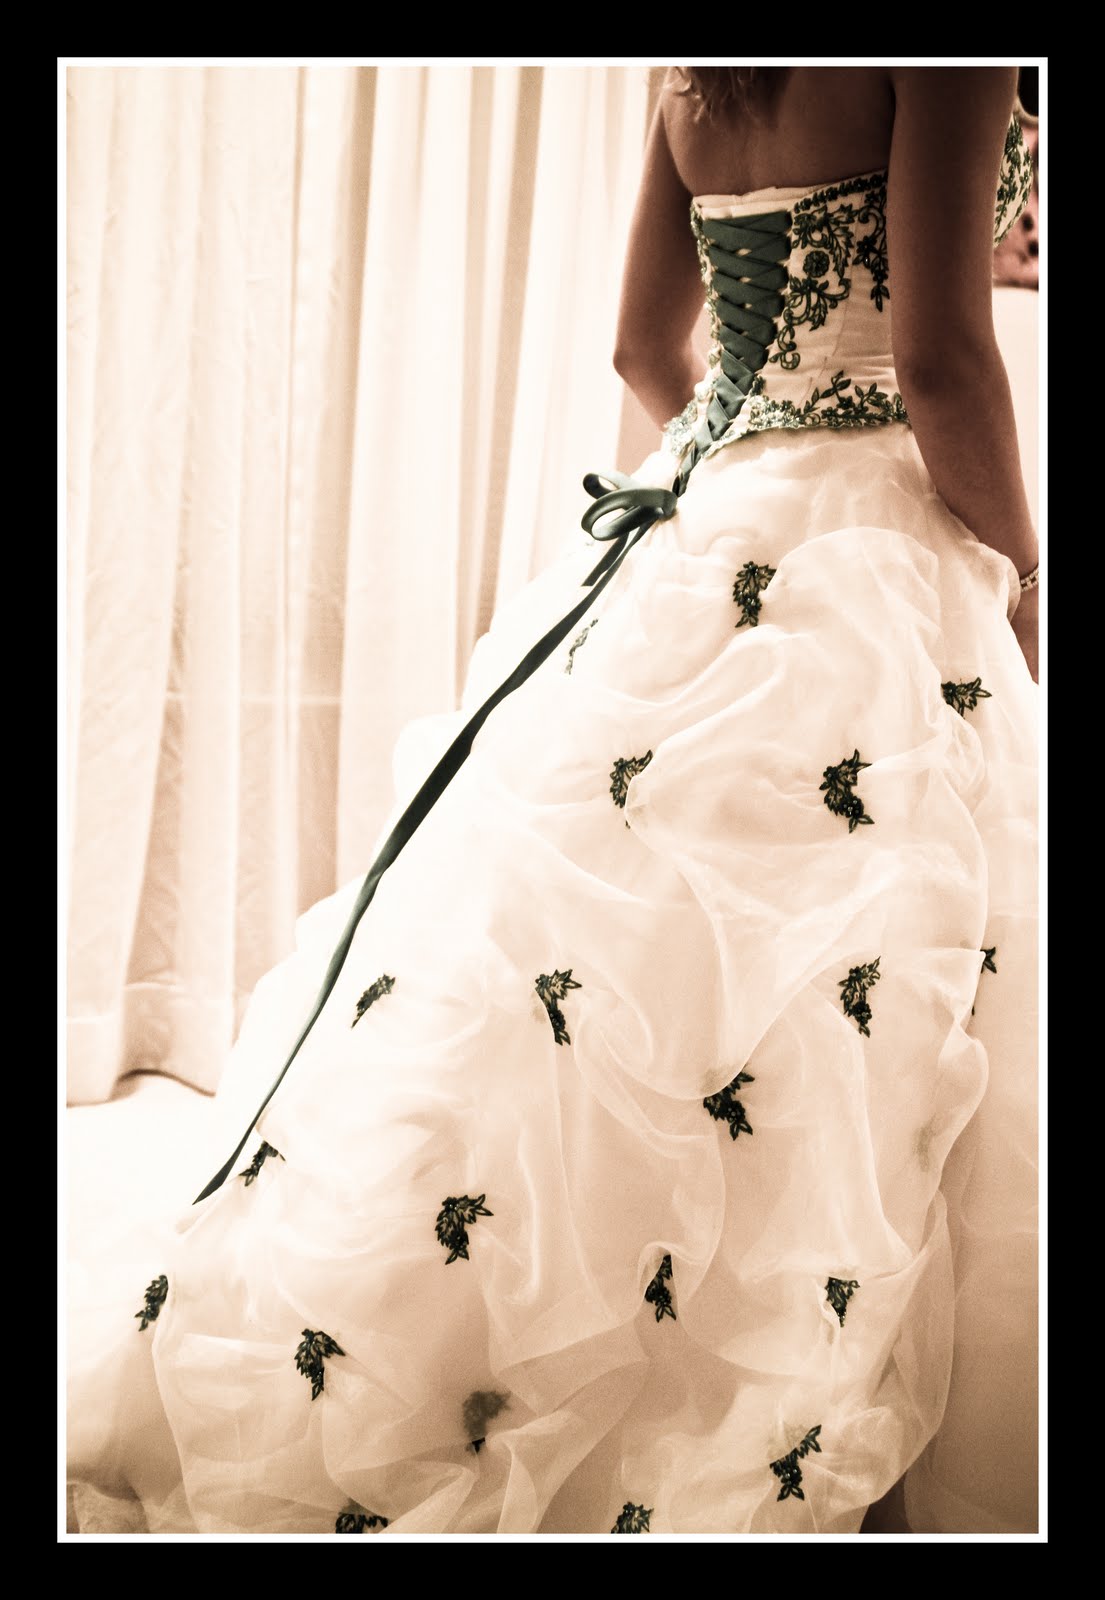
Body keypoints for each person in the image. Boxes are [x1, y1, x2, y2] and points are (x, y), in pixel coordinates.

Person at [67, 64, 1039, 1536]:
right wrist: (1024, 569)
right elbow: (943, 364)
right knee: (875, 978)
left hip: (706, 518)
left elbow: (643, 345)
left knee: (625, 972)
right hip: (873, 544)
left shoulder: (691, 81)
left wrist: (736, 453)